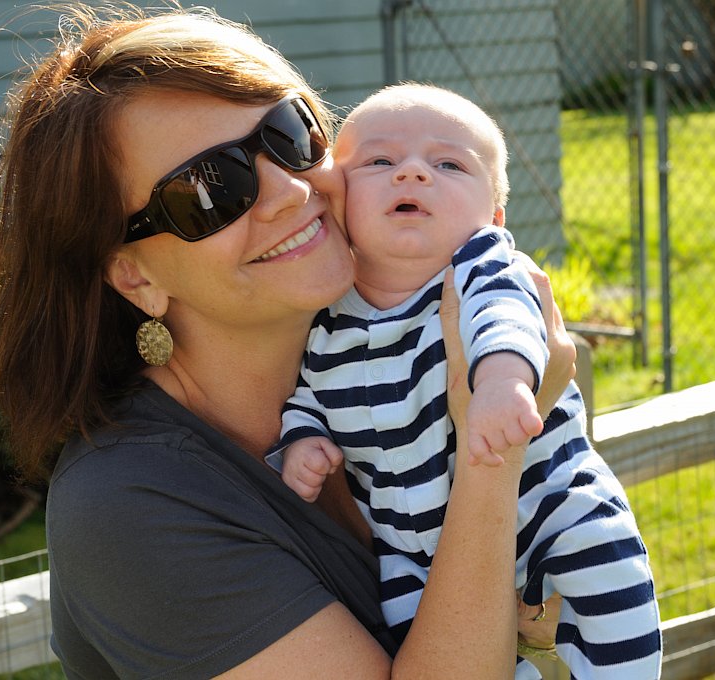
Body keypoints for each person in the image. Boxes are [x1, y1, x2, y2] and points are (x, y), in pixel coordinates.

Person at [0, 5, 579, 678]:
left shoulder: (437, 346)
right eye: (210, 188)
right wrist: (494, 457)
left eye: (289, 133)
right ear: (136, 276)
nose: (289, 190)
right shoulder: (126, 506)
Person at [273, 84, 663, 678]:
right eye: (380, 161)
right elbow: (307, 393)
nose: (411, 173)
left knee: (609, 577)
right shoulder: (327, 316)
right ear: (338, 201)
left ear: (494, 217)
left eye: (449, 165)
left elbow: (507, 317)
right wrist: (304, 439)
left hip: (548, 500)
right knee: (429, 637)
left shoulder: (480, 268)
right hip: (411, 549)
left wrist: (504, 381)